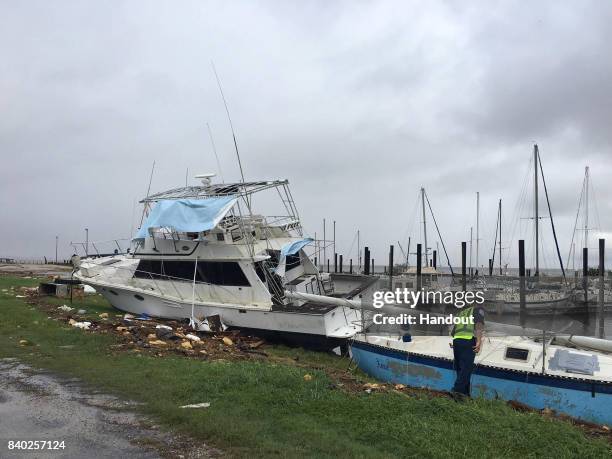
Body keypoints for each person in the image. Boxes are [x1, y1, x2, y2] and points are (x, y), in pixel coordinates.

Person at [451, 303, 485, 397]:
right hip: (468, 341)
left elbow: (453, 332)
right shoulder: (478, 310)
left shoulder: (462, 312)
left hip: (457, 341)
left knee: (461, 369)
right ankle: (456, 392)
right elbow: (478, 325)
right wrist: (478, 341)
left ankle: (465, 394)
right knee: (466, 369)